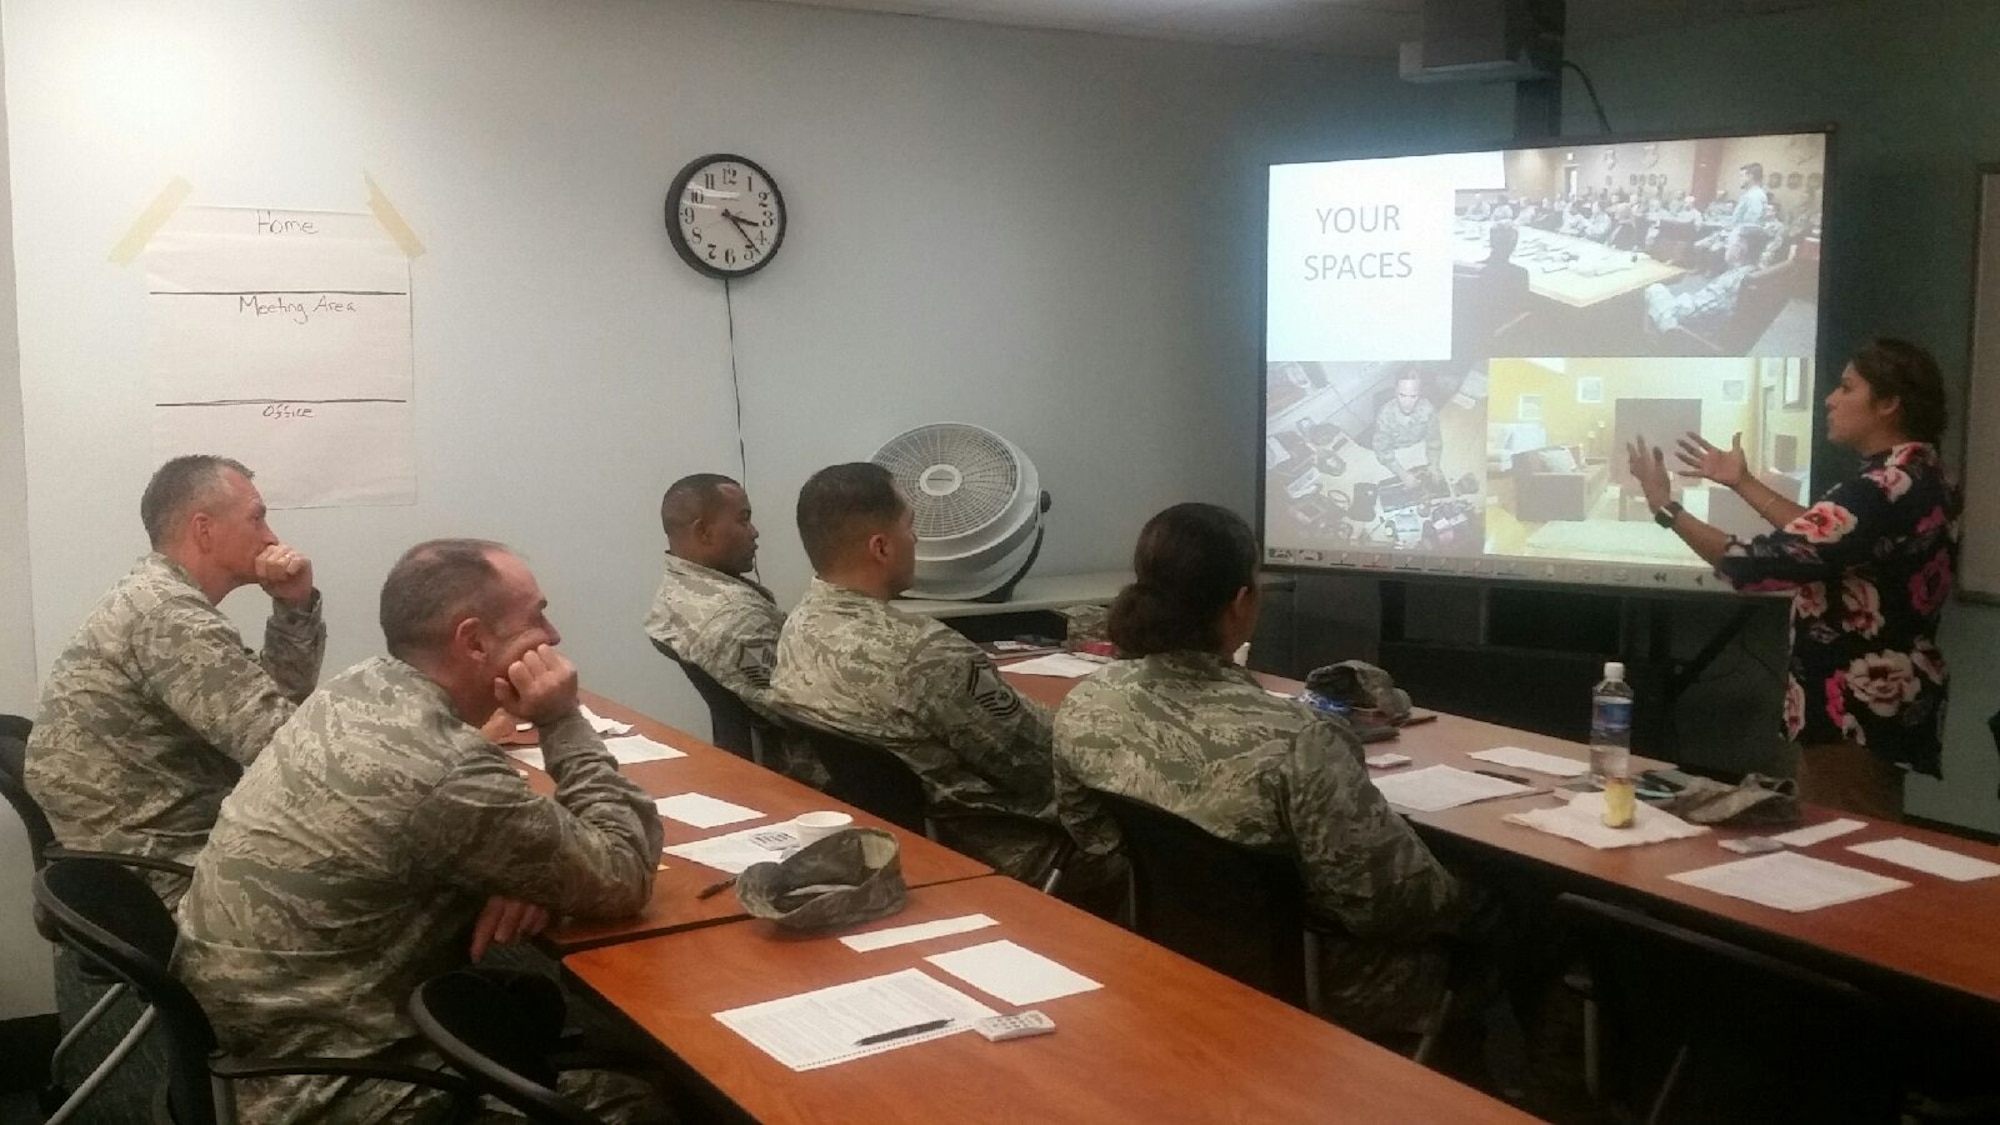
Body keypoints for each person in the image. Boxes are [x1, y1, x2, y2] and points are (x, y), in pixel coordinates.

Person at [174, 539, 668, 1122]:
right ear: (474, 640)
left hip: (255, 1040)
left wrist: (524, 867)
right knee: (644, 1103)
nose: (554, 636)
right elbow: (624, 872)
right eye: (537, 615)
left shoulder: (357, 688)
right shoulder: (445, 771)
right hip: (330, 1086)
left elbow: (422, 830)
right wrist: (562, 719)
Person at [1053, 503, 1464, 1035]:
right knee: (1516, 910)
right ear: (1241, 602)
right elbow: (1386, 904)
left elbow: (1093, 835)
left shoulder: (1090, 699)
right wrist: (1468, 890)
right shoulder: (1299, 738)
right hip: (1322, 977)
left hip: (1169, 952)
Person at [1627, 339, 1960, 819]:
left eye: (1847, 387)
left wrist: (1666, 508)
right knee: (1855, 842)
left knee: (1841, 855)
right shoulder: (1922, 475)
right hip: (1885, 702)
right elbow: (1828, 541)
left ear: (1889, 403)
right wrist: (1741, 481)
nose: (1830, 398)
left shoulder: (1881, 489)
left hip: (1854, 709)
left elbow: (1755, 564)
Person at [770, 462, 1123, 898]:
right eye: (910, 525)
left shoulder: (799, 624)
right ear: (881, 547)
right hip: (1012, 854)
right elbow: (1044, 763)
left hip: (900, 844)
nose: (915, 539)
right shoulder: (928, 653)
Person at [25, 454, 324, 904]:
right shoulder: (168, 616)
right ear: (204, 529)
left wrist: (294, 606)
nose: (270, 536)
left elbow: (270, 705)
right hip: (161, 868)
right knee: (378, 885)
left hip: (153, 846)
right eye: (257, 518)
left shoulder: (165, 600)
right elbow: (279, 747)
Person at [642, 472, 823, 783]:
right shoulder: (734, 617)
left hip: (746, 760)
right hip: (808, 775)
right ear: (704, 531)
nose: (754, 532)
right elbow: (806, 710)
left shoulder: (675, 590)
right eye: (743, 519)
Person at [1643, 226, 1770, 336]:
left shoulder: (1732, 281)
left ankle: (1655, 341)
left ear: (1739, 250)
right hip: (1715, 324)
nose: (1725, 246)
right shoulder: (1757, 274)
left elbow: (1683, 314)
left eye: (1728, 243)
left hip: (1688, 333)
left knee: (1654, 289)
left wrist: (1676, 299)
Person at [1371, 368, 1444, 488]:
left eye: (1413, 396)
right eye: (1402, 395)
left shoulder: (1427, 410)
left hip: (1418, 449)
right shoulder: (1385, 415)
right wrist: (1403, 475)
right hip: (1396, 454)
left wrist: (1434, 465)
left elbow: (1434, 441)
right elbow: (1382, 451)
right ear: (1395, 391)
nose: (1407, 402)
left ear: (1420, 393)